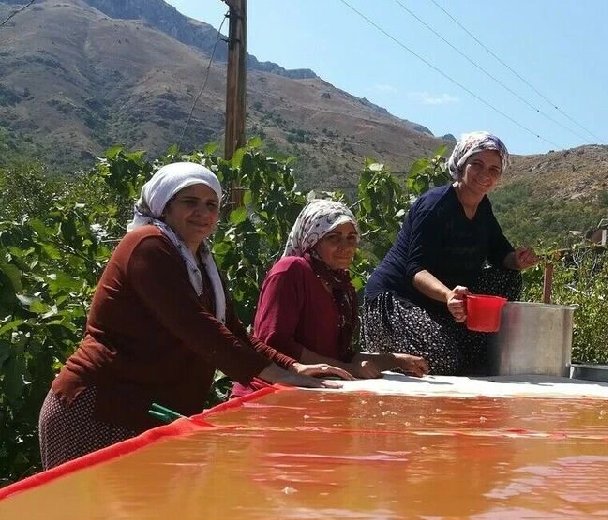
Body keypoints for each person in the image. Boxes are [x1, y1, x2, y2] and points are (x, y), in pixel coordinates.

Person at [38, 162, 350, 470]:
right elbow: (199, 329)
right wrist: (278, 375)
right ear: (165, 206)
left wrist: (292, 366)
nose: (202, 213)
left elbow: (234, 331)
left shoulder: (199, 261)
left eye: (211, 204)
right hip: (99, 408)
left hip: (146, 410)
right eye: (190, 202)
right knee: (92, 518)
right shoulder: (148, 245)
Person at [361, 132, 538, 375]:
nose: (485, 174)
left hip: (440, 304)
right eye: (477, 164)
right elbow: (416, 271)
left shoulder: (483, 209)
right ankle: (386, 357)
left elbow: (501, 254)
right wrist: (447, 295)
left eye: (494, 169)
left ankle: (468, 337)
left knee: (508, 277)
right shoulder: (435, 206)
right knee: (443, 359)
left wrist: (517, 260)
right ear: (461, 164)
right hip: (396, 299)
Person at [231, 200, 429, 398]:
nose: (346, 247)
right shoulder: (291, 271)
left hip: (313, 391)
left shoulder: (340, 285)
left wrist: (396, 360)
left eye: (351, 238)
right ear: (312, 240)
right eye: (333, 238)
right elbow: (275, 343)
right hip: (269, 393)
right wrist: (347, 369)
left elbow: (337, 353)